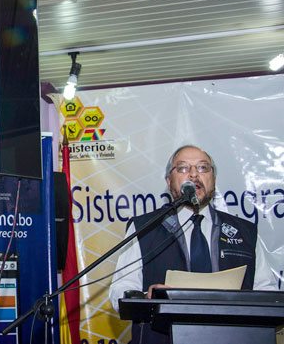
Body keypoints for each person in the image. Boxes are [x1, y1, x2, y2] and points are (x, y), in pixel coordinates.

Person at [108, 145, 277, 344]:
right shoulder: (144, 228)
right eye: (183, 168)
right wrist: (146, 298)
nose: (194, 174)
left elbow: (268, 292)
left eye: (203, 168)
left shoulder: (245, 232)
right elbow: (120, 290)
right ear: (169, 181)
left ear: (213, 179)